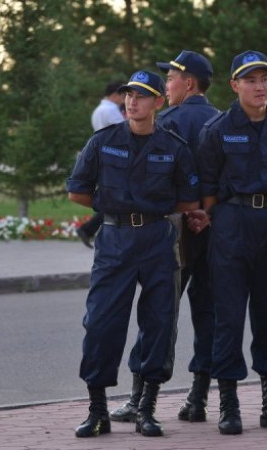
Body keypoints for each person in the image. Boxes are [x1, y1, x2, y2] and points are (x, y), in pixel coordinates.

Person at [67, 70, 200, 438]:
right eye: (128, 95)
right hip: (115, 239)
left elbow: (188, 199)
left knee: (159, 322)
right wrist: (117, 204)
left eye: (141, 96)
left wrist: (150, 207)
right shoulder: (103, 141)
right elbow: (78, 191)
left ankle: (147, 408)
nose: (131, 101)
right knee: (101, 323)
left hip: (158, 238)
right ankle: (97, 412)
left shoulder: (174, 147)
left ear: (158, 102)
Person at [191, 50, 267, 435]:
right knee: (229, 315)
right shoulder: (218, 130)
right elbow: (207, 187)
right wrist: (222, 219)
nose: (260, 86)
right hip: (231, 224)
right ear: (234, 85)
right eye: (251, 80)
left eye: (264, 78)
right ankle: (229, 403)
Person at [109, 50, 219, 425]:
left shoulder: (166, 121)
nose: (166, 85)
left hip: (173, 233)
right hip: (215, 231)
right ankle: (199, 397)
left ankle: (139, 397)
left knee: (159, 316)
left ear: (188, 83)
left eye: (170, 78)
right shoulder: (221, 121)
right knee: (209, 314)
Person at [77, 81, 127, 249]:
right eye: (124, 95)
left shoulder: (99, 110)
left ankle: (89, 229)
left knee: (113, 197)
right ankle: (89, 229)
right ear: (115, 95)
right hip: (116, 159)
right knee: (116, 198)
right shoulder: (111, 111)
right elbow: (124, 132)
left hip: (103, 158)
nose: (126, 99)